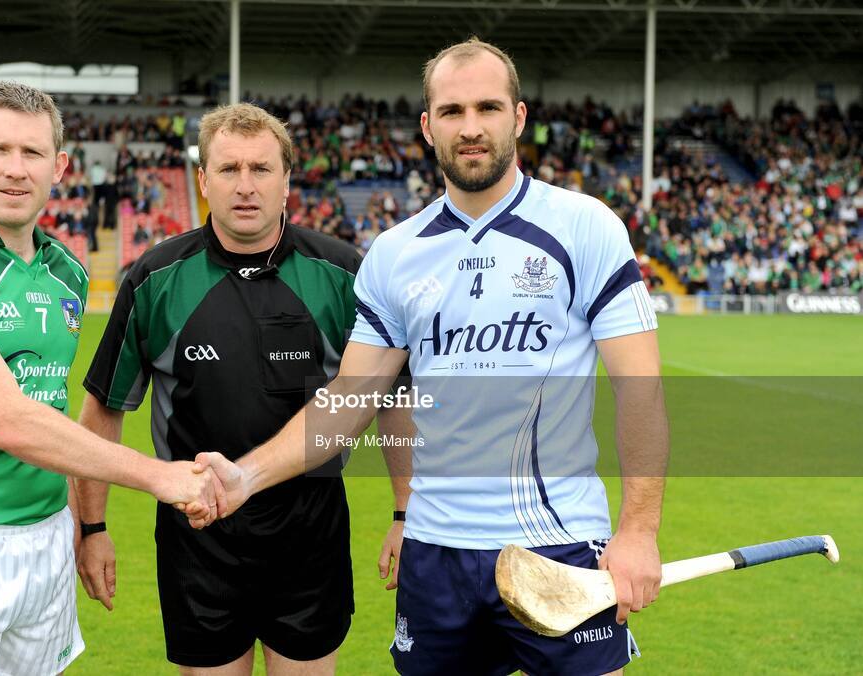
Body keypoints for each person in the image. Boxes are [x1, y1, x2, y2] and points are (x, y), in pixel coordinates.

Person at [194, 38, 670, 676]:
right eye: (451, 111)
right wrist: (246, 477)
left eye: (487, 108)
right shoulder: (395, 253)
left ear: (518, 117)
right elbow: (348, 400)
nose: (470, 128)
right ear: (427, 126)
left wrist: (638, 530)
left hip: (558, 548)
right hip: (435, 551)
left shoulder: (585, 227)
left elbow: (640, 389)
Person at [0, 81, 220, 676]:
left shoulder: (68, 271)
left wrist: (88, 526)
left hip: (47, 539)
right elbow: (11, 420)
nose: (14, 170)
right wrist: (160, 477)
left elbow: (52, 405)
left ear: (59, 167)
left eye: (32, 154)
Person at [75, 102, 404, 675]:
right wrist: (93, 527)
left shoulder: (344, 272)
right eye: (228, 170)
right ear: (203, 180)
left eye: (261, 169)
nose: (245, 186)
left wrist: (405, 512)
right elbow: (104, 409)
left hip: (311, 534)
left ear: (287, 179)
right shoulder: (154, 278)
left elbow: (390, 398)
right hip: (198, 537)